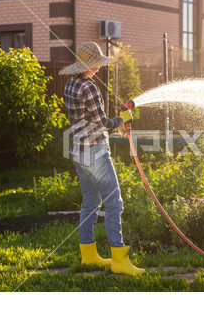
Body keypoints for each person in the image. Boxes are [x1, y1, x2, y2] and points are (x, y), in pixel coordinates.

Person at [60, 41, 144, 276]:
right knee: (114, 203)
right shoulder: (89, 87)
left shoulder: (70, 84)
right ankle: (119, 258)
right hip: (95, 152)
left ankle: (88, 256)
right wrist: (122, 118)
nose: (100, 67)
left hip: (78, 151)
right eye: (98, 63)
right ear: (93, 65)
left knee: (90, 203)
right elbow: (102, 123)